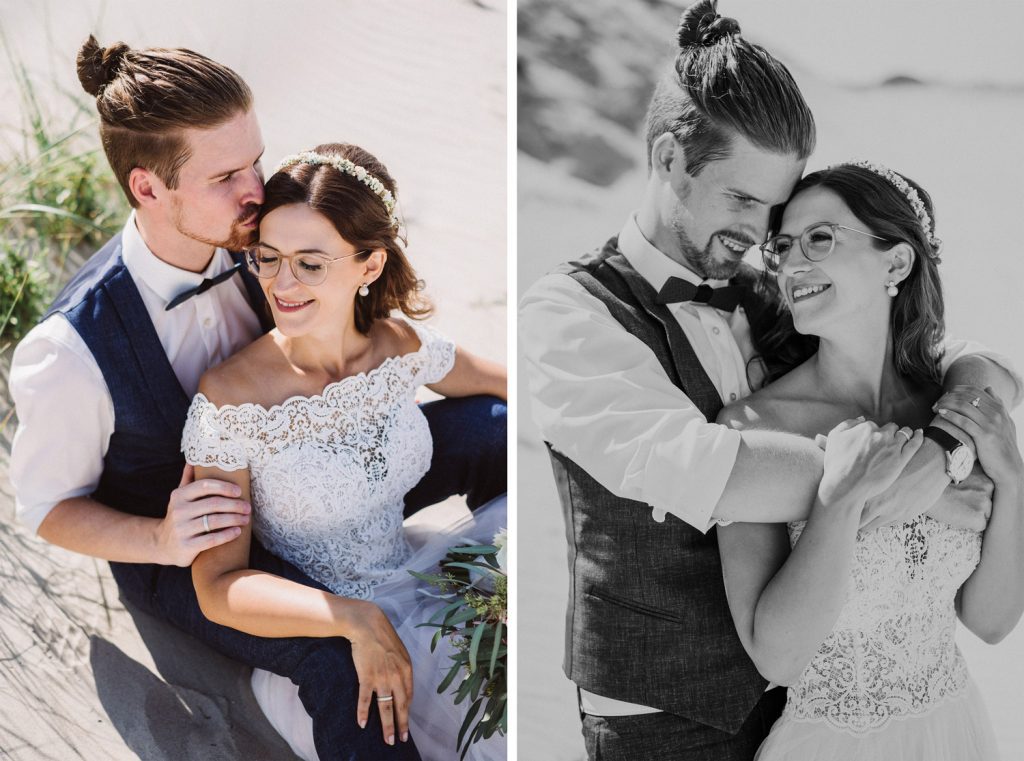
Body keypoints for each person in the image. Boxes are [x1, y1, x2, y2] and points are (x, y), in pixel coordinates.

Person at [518, 2, 1020, 759]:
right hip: (662, 717)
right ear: (667, 159)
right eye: (744, 200)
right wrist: (907, 480)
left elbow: (962, 358)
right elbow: (713, 471)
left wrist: (945, 442)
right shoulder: (569, 314)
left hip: (799, 706)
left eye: (775, 212)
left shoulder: (768, 294)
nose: (761, 239)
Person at [8, 37, 506, 761]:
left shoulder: (264, 240)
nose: (256, 190)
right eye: (227, 176)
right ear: (149, 188)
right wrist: (161, 538)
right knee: (338, 663)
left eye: (256, 161)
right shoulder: (68, 351)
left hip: (318, 473)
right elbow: (47, 509)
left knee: (488, 426)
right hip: (196, 542)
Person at [181, 143, 506, 761]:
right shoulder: (231, 399)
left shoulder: (398, 345)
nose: (282, 283)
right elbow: (217, 586)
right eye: (268, 259)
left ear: (368, 265)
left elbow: (505, 387)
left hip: (415, 585)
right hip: (320, 626)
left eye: (310, 263)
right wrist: (348, 618)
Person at [717, 162, 1022, 761]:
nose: (794, 262)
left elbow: (991, 621)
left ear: (897, 263)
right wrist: (842, 500)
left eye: (820, 238)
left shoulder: (952, 409)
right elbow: (776, 657)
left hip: (956, 731)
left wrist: (1012, 479)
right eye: (782, 248)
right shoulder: (754, 426)